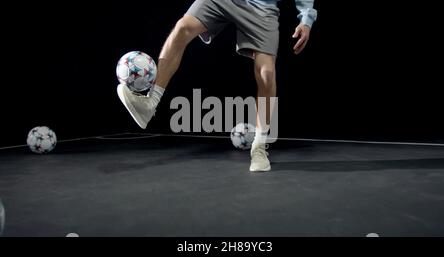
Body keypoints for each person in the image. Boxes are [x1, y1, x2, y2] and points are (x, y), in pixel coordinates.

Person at [117, 0, 317, 172]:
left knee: (267, 73)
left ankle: (259, 146)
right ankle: (150, 103)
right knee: (182, 28)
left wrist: (306, 20)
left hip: (262, 7)